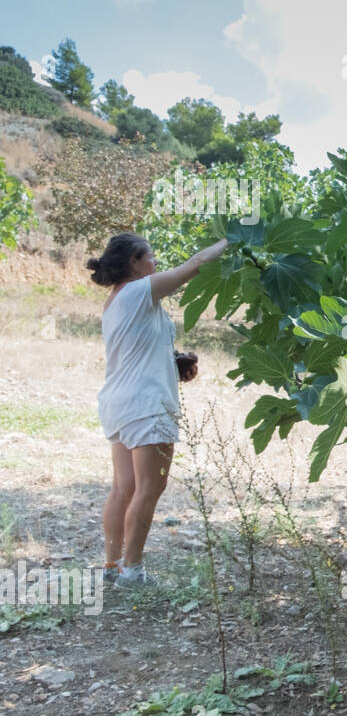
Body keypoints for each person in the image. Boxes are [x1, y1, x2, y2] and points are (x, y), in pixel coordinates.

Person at [86, 233, 229, 587]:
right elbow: (195, 265)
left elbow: (137, 348)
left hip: (120, 402)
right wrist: (234, 239)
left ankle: (112, 565)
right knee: (150, 488)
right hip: (147, 404)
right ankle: (132, 571)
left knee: (124, 488)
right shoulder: (139, 291)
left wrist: (173, 362)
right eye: (150, 256)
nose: (155, 262)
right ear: (133, 262)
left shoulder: (116, 300)